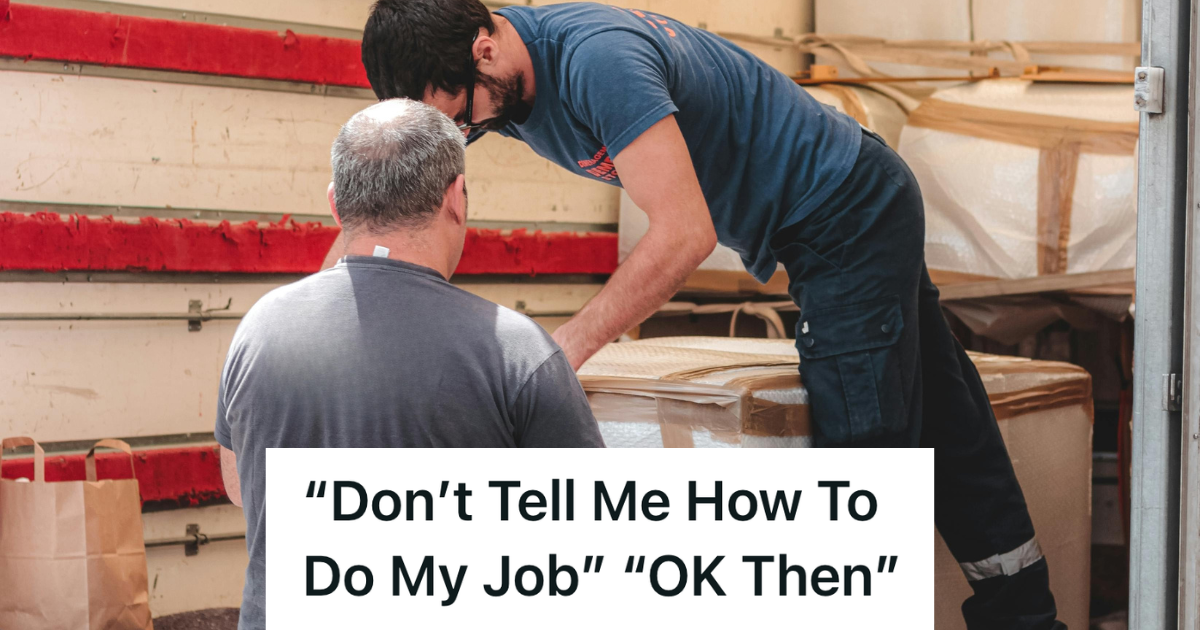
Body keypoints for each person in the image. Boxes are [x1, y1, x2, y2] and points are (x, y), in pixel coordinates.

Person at [350, 2, 1067, 628]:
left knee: (862, 453)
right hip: (834, 214)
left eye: (463, 116)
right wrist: (341, 299)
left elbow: (683, 234)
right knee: (949, 420)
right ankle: (1024, 618)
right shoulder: (492, 88)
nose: (469, 133)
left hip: (847, 212)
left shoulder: (597, 61)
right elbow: (398, 201)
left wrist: (561, 349)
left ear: (485, 49)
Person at [217, 98, 605, 630]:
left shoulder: (259, 328)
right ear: (456, 198)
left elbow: (240, 485)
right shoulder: (514, 351)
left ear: (336, 205)